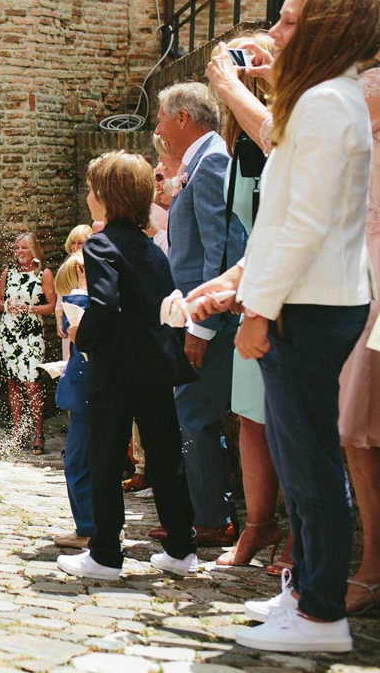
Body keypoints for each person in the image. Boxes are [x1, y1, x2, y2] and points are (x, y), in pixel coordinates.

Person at [188, 0, 380, 653]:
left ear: (325, 32)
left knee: (309, 464)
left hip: (310, 305)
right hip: (308, 299)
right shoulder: (325, 100)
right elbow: (286, 188)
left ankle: (322, 614)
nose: (274, 33)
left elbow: (303, 223)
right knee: (302, 461)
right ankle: (305, 597)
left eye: (291, 22)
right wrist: (237, 287)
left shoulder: (331, 104)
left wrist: (258, 310)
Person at [56, 151, 197, 581]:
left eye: (91, 188)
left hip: (115, 370)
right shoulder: (152, 249)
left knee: (105, 457)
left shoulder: (100, 244)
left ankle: (104, 554)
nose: (87, 194)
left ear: (106, 196)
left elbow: (105, 302)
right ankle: (181, 547)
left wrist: (83, 335)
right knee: (165, 456)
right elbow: (165, 305)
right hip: (155, 366)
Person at [207, 35, 290, 572]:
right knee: (250, 421)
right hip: (250, 287)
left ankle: (299, 537)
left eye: (249, 55)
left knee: (291, 420)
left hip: (288, 291)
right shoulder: (239, 147)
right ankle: (259, 525)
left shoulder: (286, 127)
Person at [154, 82, 246, 546]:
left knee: (195, 415)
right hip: (191, 314)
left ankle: (212, 518)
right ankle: (199, 510)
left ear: (183, 118)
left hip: (209, 319)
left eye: (160, 118)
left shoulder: (210, 164)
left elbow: (222, 248)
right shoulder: (199, 162)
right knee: (189, 413)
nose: (157, 128)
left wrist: (202, 325)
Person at [334, 0, 380, 617]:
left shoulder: (367, 89)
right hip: (363, 271)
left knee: (355, 424)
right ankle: (372, 558)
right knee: (354, 425)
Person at [0, 232, 55, 455]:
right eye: (17, 248)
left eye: (24, 248)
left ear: (34, 250)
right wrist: (6, 305)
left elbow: (51, 307)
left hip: (31, 334)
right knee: (13, 383)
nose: (19, 252)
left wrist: (28, 309)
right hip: (9, 333)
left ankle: (38, 434)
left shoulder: (43, 274)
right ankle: (18, 432)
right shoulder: (8, 273)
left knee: (33, 384)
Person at [52, 252, 92, 550]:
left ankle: (88, 528)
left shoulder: (83, 302)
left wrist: (79, 289)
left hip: (86, 396)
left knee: (77, 464)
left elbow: (73, 328)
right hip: (93, 390)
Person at [55, 225, 92, 361]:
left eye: (80, 243)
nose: (75, 247)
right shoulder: (66, 268)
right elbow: (60, 303)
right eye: (73, 243)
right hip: (68, 327)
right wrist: (59, 322)